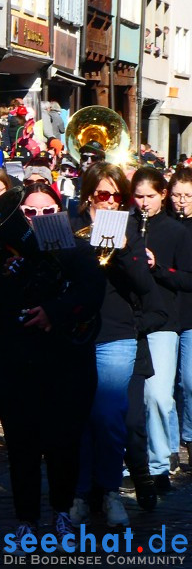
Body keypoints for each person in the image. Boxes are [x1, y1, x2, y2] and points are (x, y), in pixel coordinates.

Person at [0, 182, 104, 549]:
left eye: (48, 212)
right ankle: (26, 517)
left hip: (66, 359)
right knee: (22, 443)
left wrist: (54, 313)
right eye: (30, 213)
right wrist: (1, 272)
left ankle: (61, 510)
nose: (39, 219)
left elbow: (92, 293)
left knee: (64, 441)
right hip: (17, 360)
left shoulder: (77, 249)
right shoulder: (1, 254)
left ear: (60, 213)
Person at [68, 163, 156, 529]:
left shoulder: (131, 229)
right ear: (89, 193)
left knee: (108, 414)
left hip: (117, 330)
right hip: (73, 329)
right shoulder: (71, 225)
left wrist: (123, 250)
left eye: (117, 196)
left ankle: (110, 490)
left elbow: (144, 285)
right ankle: (79, 492)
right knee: (78, 416)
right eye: (104, 194)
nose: (110, 202)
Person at [130, 168, 190, 492]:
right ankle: (136, 462)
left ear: (162, 195)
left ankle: (159, 466)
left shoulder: (176, 231)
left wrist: (158, 268)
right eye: (138, 197)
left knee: (157, 396)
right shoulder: (125, 225)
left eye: (150, 197)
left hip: (163, 320)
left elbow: (187, 279)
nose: (143, 204)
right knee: (127, 400)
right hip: (127, 320)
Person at [169, 168, 192, 470]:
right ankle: (171, 442)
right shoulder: (164, 224)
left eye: (188, 196)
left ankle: (189, 434)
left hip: (190, 311)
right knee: (166, 386)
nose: (182, 202)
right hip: (167, 311)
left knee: (188, 381)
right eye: (176, 195)